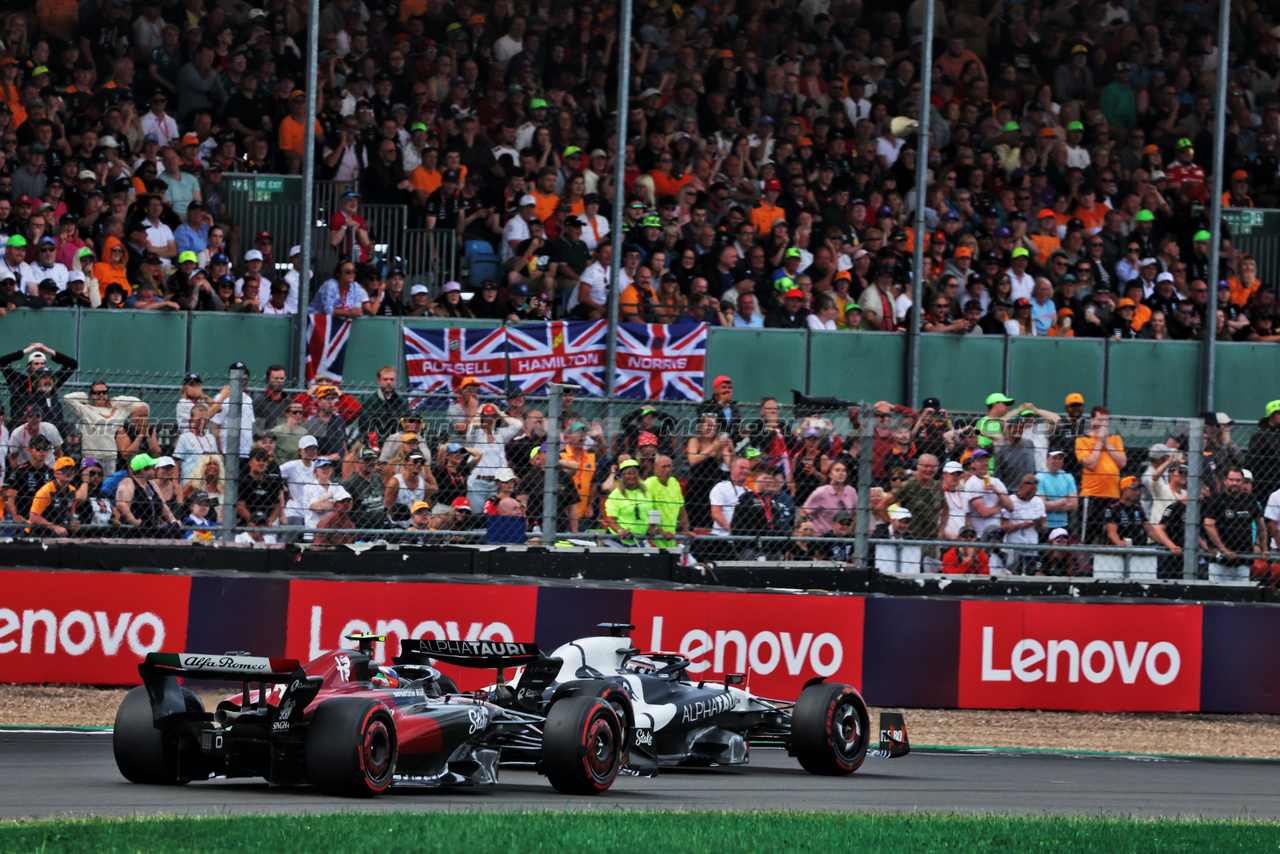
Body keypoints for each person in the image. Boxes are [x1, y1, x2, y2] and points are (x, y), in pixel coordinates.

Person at [61, 383, 145, 476]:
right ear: (92, 394)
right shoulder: (86, 409)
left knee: (107, 486)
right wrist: (85, 397)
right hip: (90, 457)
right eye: (97, 392)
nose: (101, 395)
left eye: (104, 392)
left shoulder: (119, 410)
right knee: (88, 485)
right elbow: (68, 398)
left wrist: (115, 401)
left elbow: (137, 401)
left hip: (110, 458)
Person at [1203, 467, 1266, 582]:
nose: (1235, 483)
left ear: (1242, 482)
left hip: (1243, 560)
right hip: (1220, 561)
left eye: (1238, 480)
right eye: (1231, 480)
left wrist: (1264, 548)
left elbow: (1261, 525)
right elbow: (1208, 525)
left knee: (1241, 596)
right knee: (1217, 595)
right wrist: (1224, 549)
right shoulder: (1216, 499)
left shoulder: (1249, 499)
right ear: (1225, 481)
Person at [1075, 405, 1126, 543]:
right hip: (1092, 494)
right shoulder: (1082, 440)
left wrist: (1107, 443)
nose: (1104, 423)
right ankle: (1083, 564)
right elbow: (1090, 463)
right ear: (1092, 421)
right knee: (1087, 536)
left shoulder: (1115, 439)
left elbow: (1122, 462)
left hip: (1113, 495)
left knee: (1109, 536)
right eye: (1100, 420)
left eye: (1106, 420)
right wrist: (1099, 442)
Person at [115, 453, 179, 537]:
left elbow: (163, 505)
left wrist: (173, 520)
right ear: (144, 469)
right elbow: (121, 505)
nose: (154, 470)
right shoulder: (129, 482)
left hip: (151, 529)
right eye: (151, 468)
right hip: (134, 532)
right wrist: (135, 522)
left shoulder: (151, 484)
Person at [732, 466, 789, 559]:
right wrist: (742, 547)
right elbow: (736, 524)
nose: (768, 481)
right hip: (751, 547)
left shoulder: (772, 499)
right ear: (756, 479)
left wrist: (784, 547)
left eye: (770, 478)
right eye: (765, 478)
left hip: (772, 548)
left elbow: (777, 524)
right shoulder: (746, 497)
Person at [602, 459, 662, 545]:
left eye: (635, 473)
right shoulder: (616, 495)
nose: (632, 476)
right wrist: (620, 531)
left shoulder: (646, 491)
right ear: (622, 476)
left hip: (641, 539)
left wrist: (652, 527)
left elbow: (654, 511)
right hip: (620, 541)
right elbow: (611, 519)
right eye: (628, 473)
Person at [1000, 474, 1048, 574]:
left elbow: (1045, 528)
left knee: (1030, 576)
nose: (1031, 495)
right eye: (1029, 492)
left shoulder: (1038, 502)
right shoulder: (1011, 501)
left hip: (1032, 548)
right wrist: (1021, 526)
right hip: (1014, 547)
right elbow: (1002, 527)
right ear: (1020, 487)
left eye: (1034, 492)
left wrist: (1040, 525)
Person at [26, 456, 79, 538]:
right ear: (56, 474)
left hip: (56, 533)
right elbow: (33, 516)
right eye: (64, 470)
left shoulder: (72, 490)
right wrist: (55, 527)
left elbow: (71, 510)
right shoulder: (46, 491)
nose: (68, 472)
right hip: (36, 534)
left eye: (71, 470)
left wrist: (73, 523)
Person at [803, 460, 857, 533]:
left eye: (844, 471)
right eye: (837, 470)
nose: (841, 473)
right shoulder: (821, 492)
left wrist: (851, 528)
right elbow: (804, 511)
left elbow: (855, 513)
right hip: (823, 536)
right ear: (830, 475)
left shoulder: (851, 491)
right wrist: (810, 527)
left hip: (844, 535)